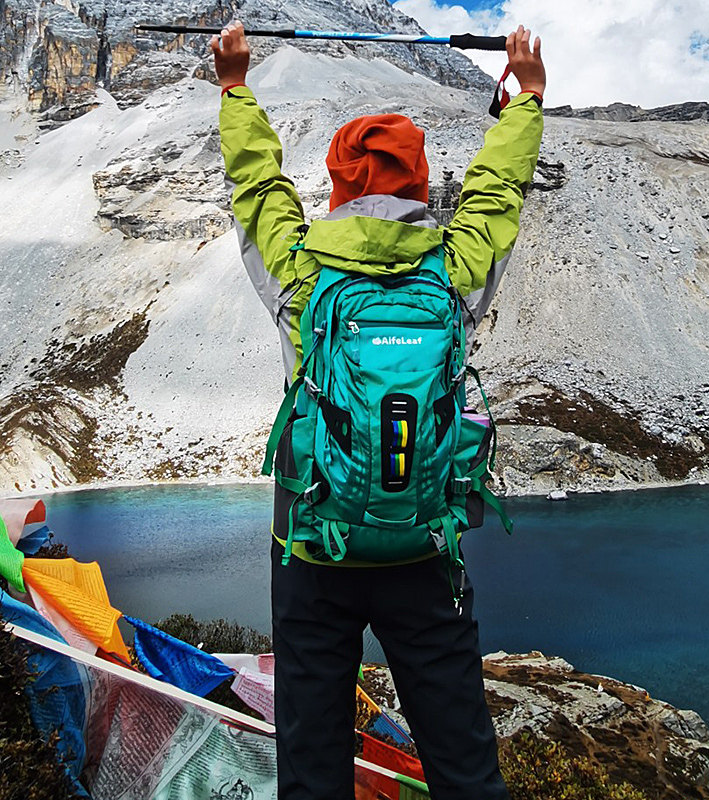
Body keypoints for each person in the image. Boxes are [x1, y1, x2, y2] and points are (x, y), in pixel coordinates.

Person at [211, 20, 545, 800]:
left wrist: (233, 89)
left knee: (313, 757)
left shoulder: (301, 272)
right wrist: (524, 100)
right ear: (425, 187)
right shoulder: (453, 272)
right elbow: (498, 193)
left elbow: (256, 188)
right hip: (424, 549)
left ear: (334, 188)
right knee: (462, 758)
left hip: (311, 547)